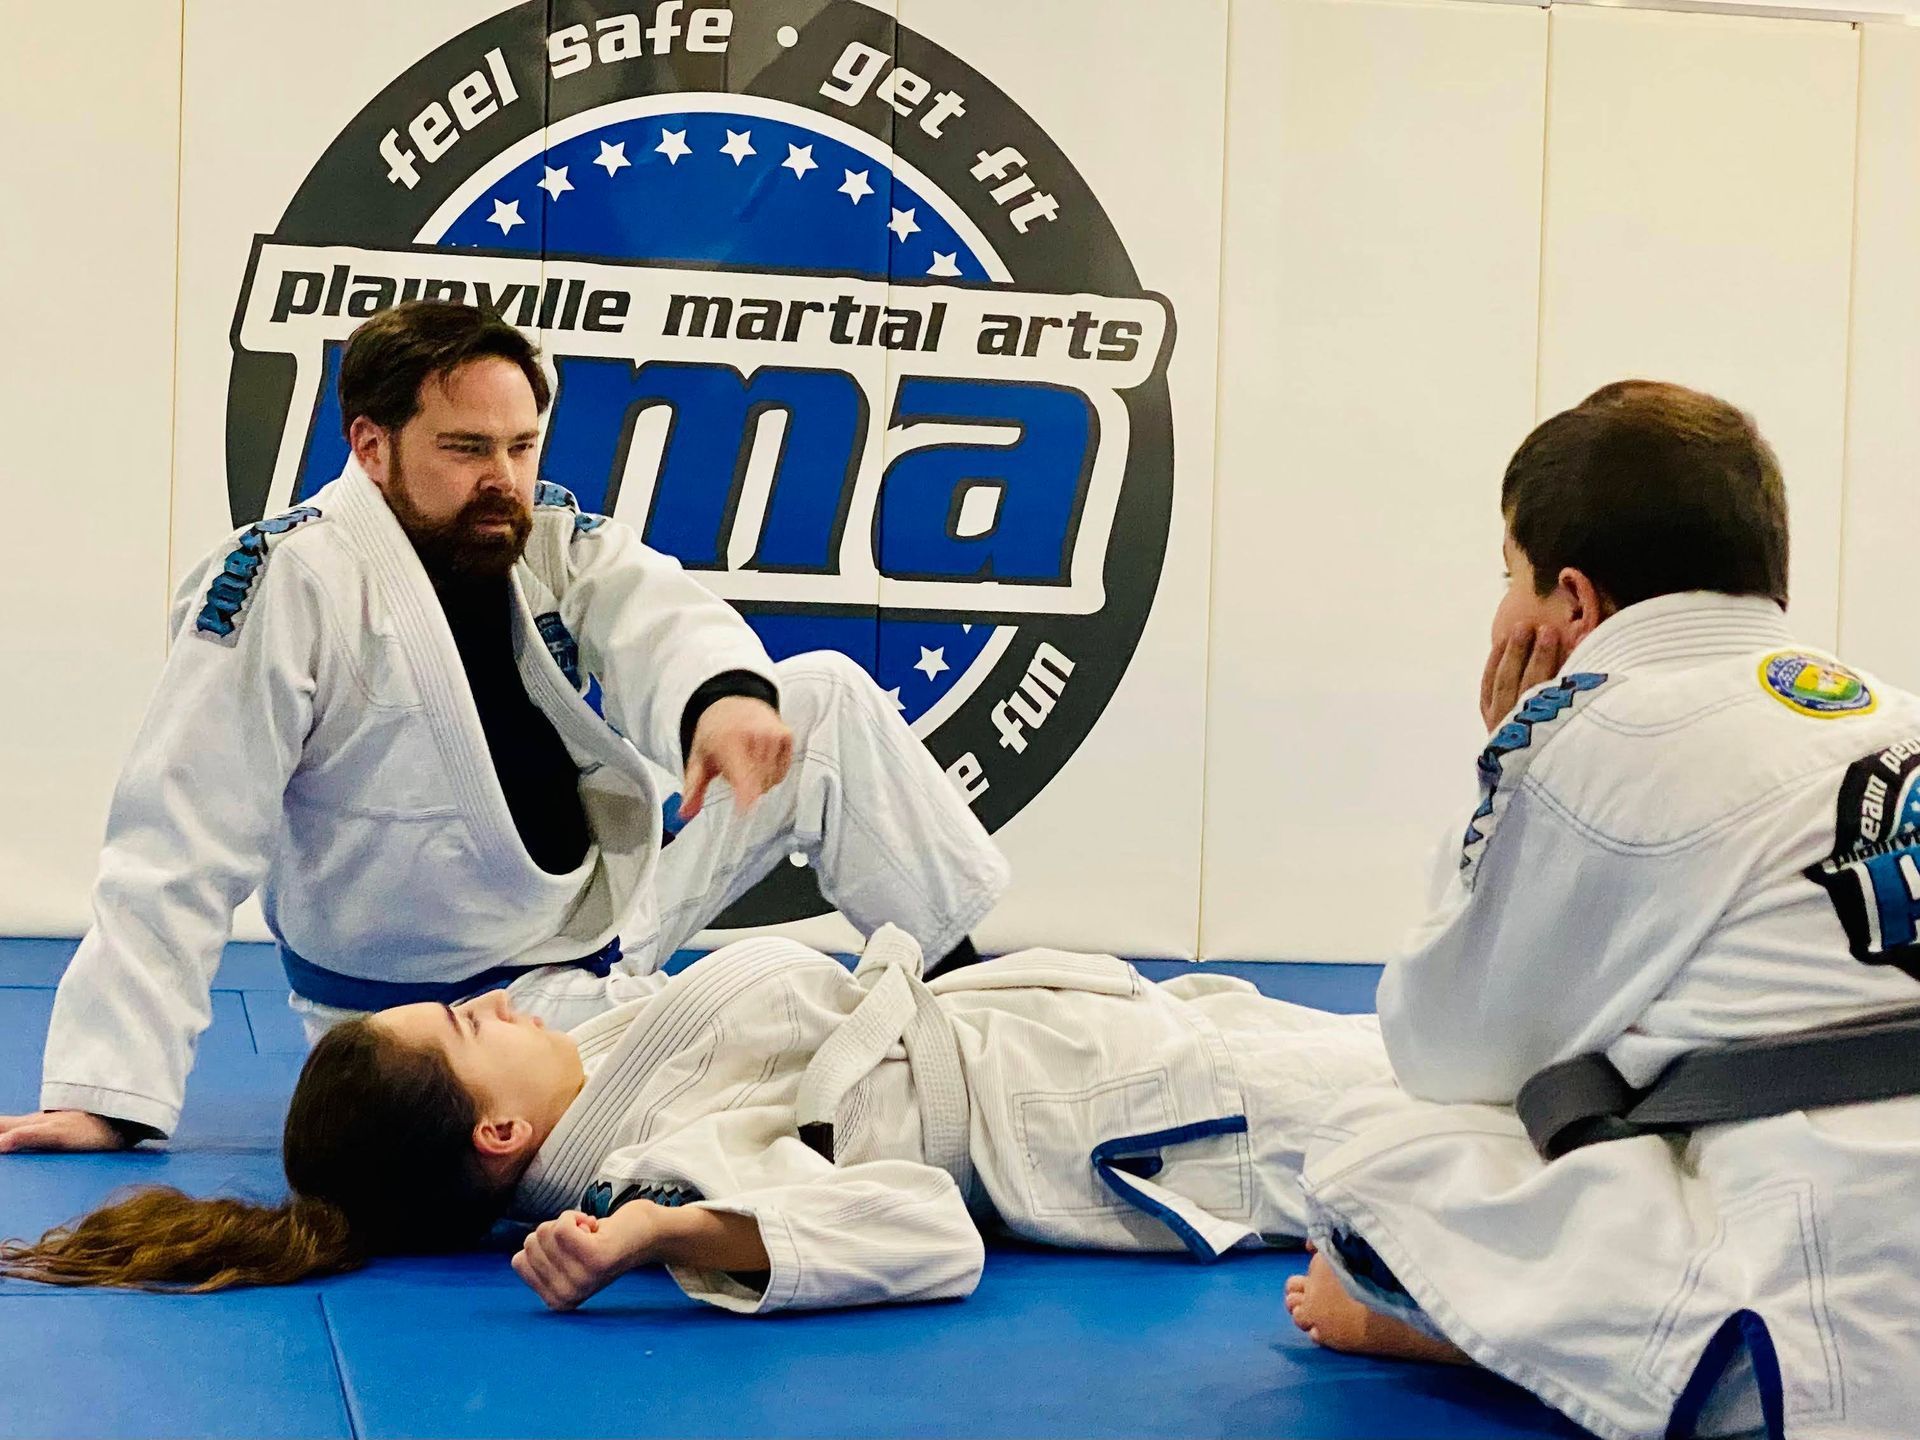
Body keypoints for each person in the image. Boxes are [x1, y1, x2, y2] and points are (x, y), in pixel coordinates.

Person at [0, 301, 1008, 1154]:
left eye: (522, 447)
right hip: (449, 1026)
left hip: (591, 928)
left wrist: (722, 699)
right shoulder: (288, 582)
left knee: (822, 696)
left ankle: (977, 1002)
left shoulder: (540, 533)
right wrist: (107, 1092)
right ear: (372, 446)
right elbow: (177, 836)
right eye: (467, 449)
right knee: (773, 1052)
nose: (504, 479)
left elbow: (653, 608)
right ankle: (968, 1103)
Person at [1284, 381, 1920, 1440]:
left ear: (1573, 603)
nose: (1503, 611)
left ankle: (1475, 1328)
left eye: (1509, 577)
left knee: (1378, 1147)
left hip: (1829, 1315)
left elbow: (1444, 1048)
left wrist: (1512, 759)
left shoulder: (1605, 728)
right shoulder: (1897, 710)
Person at [0, 926, 1392, 1312]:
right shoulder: (648, 1168)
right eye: (472, 1025)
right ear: (500, 1139)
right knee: (1465, 1105)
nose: (499, 1001)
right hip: (1136, 1119)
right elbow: (929, 1233)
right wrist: (677, 1235)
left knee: (1447, 1049)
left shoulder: (588, 1054)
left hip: (1111, 1033)